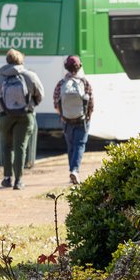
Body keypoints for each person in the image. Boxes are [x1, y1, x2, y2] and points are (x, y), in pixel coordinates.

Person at [0, 48, 44, 190]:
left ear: (7, 60)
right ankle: (19, 180)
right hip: (25, 116)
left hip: (5, 116)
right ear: (21, 60)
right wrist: (31, 105)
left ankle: (7, 178)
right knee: (20, 147)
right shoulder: (30, 75)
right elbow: (40, 94)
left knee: (7, 146)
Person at [52, 54, 94, 185]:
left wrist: (63, 116)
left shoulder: (61, 84)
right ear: (79, 66)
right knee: (79, 145)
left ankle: (72, 170)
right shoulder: (84, 82)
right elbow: (91, 102)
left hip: (66, 121)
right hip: (82, 120)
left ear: (66, 68)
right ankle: (75, 170)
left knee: (70, 146)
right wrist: (88, 117)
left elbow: (56, 102)